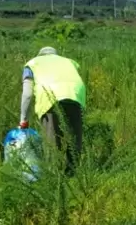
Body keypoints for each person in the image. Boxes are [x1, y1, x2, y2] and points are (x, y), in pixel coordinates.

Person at [19, 46, 86, 176]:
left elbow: (27, 94)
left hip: (50, 96)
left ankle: (53, 176)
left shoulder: (32, 64)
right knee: (74, 137)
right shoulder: (69, 61)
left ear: (40, 55)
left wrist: (23, 119)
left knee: (51, 139)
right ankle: (73, 173)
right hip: (75, 94)